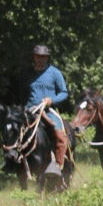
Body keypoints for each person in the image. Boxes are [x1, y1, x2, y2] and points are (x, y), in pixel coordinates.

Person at [22, 44, 71, 176]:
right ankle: (15, 163)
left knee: (60, 136)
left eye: (43, 57)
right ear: (33, 57)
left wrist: (51, 100)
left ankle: (58, 166)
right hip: (30, 109)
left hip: (48, 110)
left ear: (47, 57)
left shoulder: (55, 73)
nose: (40, 59)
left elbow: (64, 93)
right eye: (38, 56)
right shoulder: (28, 72)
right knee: (14, 131)